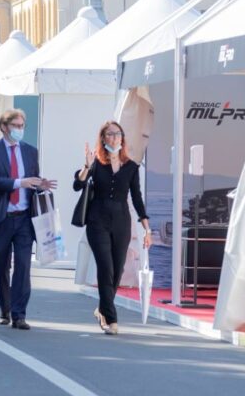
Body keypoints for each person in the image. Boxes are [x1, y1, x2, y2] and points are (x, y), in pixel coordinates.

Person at [0, 109, 56, 330]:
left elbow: (32, 180)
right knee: (1, 265)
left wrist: (39, 184)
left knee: (23, 265)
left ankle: (19, 313)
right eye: (15, 125)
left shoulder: (31, 152)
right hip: (1, 216)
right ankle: (5, 308)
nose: (19, 130)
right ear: (4, 127)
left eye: (22, 126)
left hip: (24, 218)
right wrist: (19, 182)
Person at [75, 120, 151, 335]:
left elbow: (137, 198)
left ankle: (102, 309)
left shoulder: (131, 166)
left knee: (117, 270)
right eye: (109, 134)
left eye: (117, 134)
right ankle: (111, 318)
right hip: (97, 220)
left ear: (122, 138)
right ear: (103, 138)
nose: (114, 137)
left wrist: (147, 228)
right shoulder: (96, 163)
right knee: (105, 268)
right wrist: (86, 166)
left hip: (121, 221)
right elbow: (77, 184)